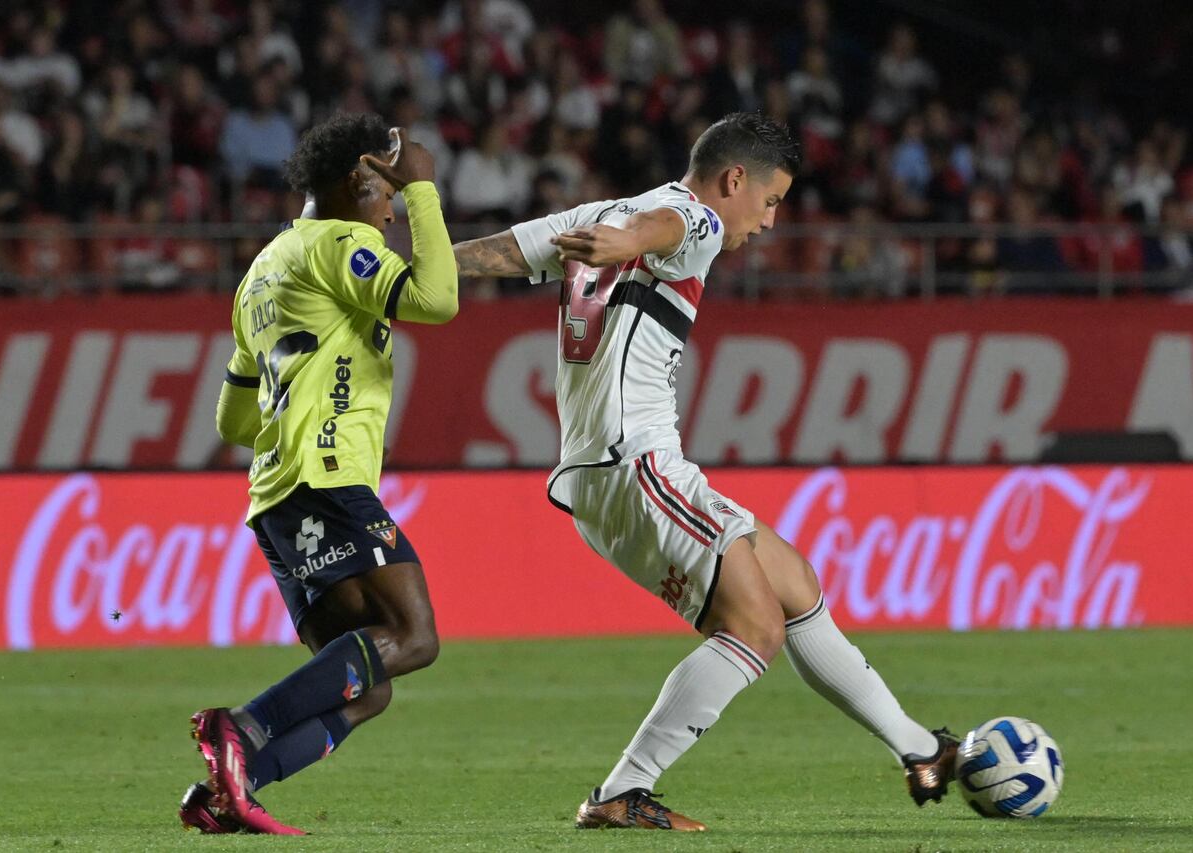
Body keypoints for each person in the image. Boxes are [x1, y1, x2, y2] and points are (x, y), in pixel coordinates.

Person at [451, 112, 957, 831]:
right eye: (772, 200)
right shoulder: (695, 219)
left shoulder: (601, 212)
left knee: (793, 585)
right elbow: (670, 227)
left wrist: (417, 266)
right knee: (755, 628)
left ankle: (918, 748)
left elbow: (504, 251)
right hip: (635, 464)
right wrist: (632, 240)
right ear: (734, 179)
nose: (771, 222)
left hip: (626, 466)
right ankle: (622, 791)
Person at [181, 114, 457, 835]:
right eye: (386, 191)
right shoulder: (341, 241)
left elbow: (234, 423)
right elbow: (437, 300)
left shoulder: (259, 272)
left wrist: (312, 403)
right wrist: (427, 189)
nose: (391, 206)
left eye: (400, 194)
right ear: (356, 180)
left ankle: (230, 789)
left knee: (370, 682)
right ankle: (240, 728)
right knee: (413, 634)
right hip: (324, 480)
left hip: (276, 494)